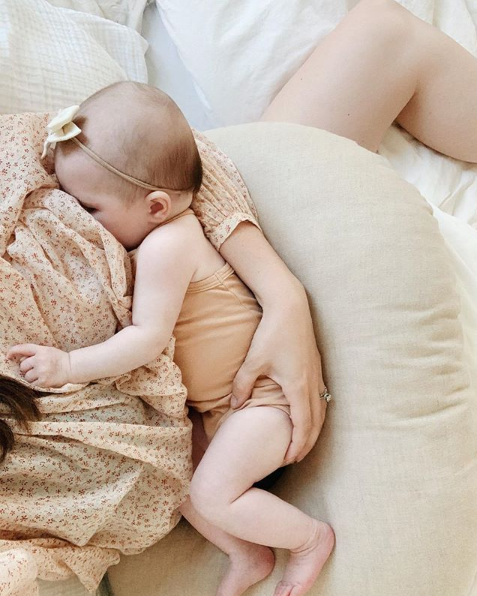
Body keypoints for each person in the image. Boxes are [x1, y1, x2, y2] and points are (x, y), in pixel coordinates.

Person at [7, 81, 335, 596]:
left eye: (89, 209)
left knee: (210, 492)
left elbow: (146, 338)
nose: (80, 221)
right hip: (218, 411)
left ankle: (310, 539)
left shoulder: (167, 244)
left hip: (265, 402)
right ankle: (246, 553)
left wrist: (67, 366)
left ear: (156, 206)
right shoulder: (156, 236)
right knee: (174, 480)